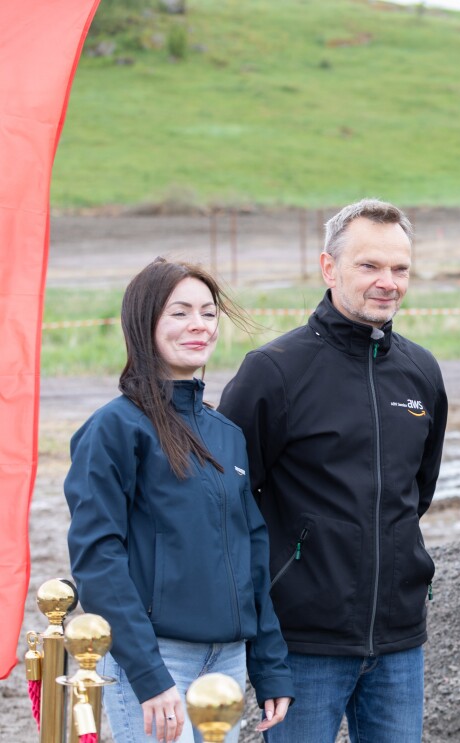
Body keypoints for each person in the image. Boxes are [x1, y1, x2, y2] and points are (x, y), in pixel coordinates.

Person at [217, 199, 447, 742]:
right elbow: (228, 496)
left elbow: (419, 492)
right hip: (303, 644)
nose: (387, 282)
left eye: (400, 268)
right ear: (329, 268)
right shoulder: (274, 372)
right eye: (369, 266)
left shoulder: (421, 372)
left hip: (397, 643)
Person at [65, 258, 293, 743]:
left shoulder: (226, 435)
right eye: (180, 312)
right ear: (144, 323)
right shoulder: (114, 428)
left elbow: (252, 554)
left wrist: (270, 667)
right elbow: (97, 560)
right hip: (156, 659)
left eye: (209, 314)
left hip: (226, 662)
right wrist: (150, 676)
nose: (199, 326)